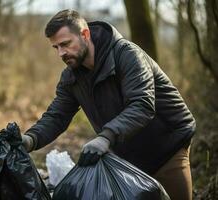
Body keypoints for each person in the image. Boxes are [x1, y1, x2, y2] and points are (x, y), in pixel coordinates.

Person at [21, 9, 195, 200]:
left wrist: (106, 137)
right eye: (56, 48)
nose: (61, 53)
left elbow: (142, 104)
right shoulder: (71, 76)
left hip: (166, 145)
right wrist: (30, 139)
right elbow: (57, 115)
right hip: (127, 153)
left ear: (85, 34)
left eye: (65, 44)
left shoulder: (127, 55)